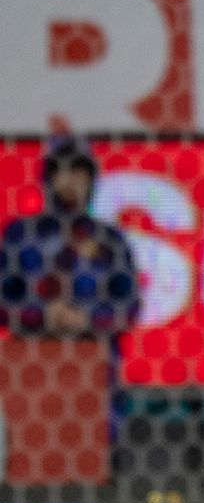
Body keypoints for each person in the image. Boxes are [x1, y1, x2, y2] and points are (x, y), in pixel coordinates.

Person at [1, 124, 141, 346]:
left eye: (79, 171)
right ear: (49, 177)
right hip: (32, 353)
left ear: (91, 179)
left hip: (94, 353)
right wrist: (41, 314)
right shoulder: (20, 234)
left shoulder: (110, 239)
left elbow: (130, 307)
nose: (70, 180)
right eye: (61, 170)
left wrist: (87, 319)